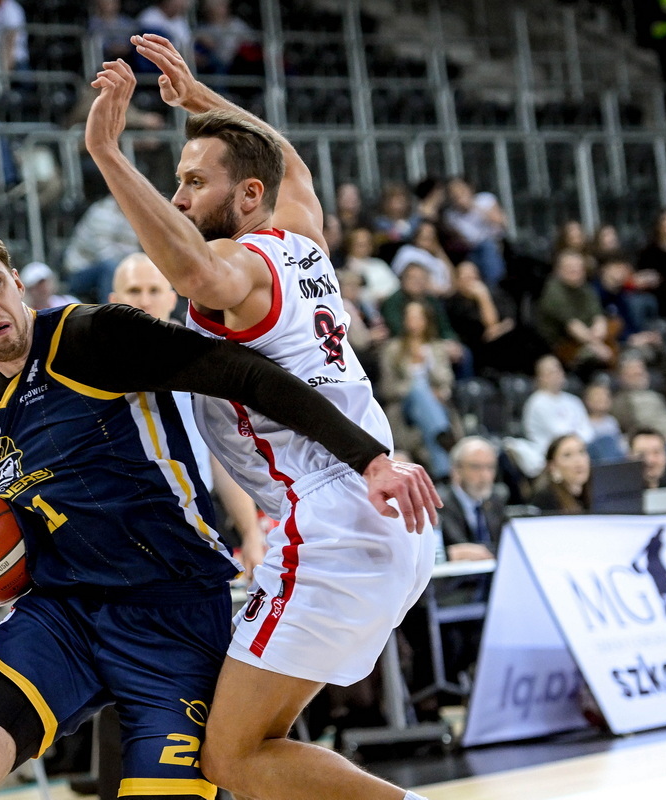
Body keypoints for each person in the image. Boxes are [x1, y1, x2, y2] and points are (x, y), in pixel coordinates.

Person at [0, 223, 437, 800]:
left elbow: (244, 373)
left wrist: (368, 457)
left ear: (18, 282)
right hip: (63, 611)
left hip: (173, 608)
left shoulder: (95, 335)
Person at [84, 35, 438, 800]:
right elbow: (290, 163)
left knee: (235, 756)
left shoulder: (243, 267)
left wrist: (108, 154)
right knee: (255, 742)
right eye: (176, 182)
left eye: (193, 183)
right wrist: (199, 99)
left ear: (248, 196)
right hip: (378, 515)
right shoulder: (303, 239)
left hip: (331, 522)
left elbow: (191, 268)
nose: (179, 199)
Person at [109, 251, 267, 573]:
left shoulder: (200, 359)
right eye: (134, 291)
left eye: (154, 290)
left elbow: (222, 455)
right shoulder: (92, 366)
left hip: (197, 516)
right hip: (125, 524)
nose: (144, 301)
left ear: (171, 298)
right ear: (113, 300)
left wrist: (251, 533)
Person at [378, 301, 459, 478]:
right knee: (419, 388)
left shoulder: (436, 348)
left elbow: (447, 382)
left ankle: (442, 471)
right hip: (403, 407)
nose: (413, 321)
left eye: (418, 317)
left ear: (426, 320)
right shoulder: (392, 349)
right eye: (409, 317)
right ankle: (442, 433)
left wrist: (429, 363)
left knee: (427, 416)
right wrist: (413, 387)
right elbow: (387, 388)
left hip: (433, 406)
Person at [536, 248, 616, 373]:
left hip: (589, 337)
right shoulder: (553, 292)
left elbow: (598, 315)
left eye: (579, 268)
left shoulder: (585, 288)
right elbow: (573, 326)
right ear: (558, 270)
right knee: (596, 356)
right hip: (563, 344)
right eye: (570, 268)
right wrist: (597, 345)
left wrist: (600, 326)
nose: (576, 271)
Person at [437, 437, 507, 561]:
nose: (485, 475)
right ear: (456, 470)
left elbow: (504, 545)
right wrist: (448, 554)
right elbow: (432, 553)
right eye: (476, 467)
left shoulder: (497, 500)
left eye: (490, 467)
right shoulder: (438, 504)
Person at [528, 433, 591, 514]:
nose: (578, 461)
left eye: (581, 451)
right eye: (567, 455)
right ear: (553, 466)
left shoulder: (591, 494)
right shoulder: (546, 500)